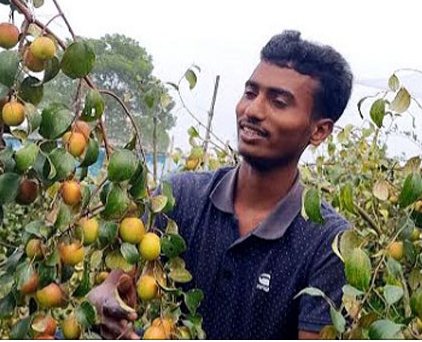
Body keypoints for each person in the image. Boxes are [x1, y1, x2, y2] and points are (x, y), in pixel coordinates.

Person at [89, 30, 354, 339]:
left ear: (319, 131)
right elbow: (118, 283)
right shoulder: (180, 197)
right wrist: (108, 299)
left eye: (279, 102)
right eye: (251, 93)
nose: (252, 110)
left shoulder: (328, 243)